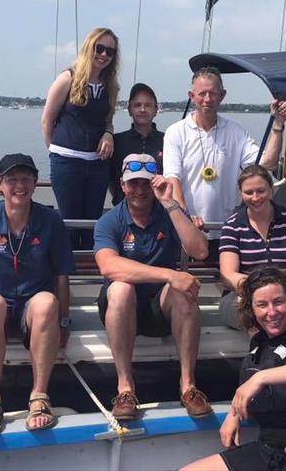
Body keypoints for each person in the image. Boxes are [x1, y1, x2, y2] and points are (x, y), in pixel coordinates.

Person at [0, 153, 74, 435]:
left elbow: (62, 277)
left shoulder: (50, 221)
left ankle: (39, 396)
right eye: (12, 180)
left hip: (30, 305)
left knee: (47, 302)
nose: (19, 185)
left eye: (25, 179)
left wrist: (63, 321)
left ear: (35, 184)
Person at [181, 266, 286, 471]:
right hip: (269, 452)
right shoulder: (259, 343)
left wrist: (261, 378)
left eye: (278, 302)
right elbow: (248, 387)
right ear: (251, 309)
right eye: (262, 305)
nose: (271, 312)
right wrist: (234, 413)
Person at [94, 153, 212, 421]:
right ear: (122, 186)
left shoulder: (168, 212)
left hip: (161, 307)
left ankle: (188, 386)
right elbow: (108, 266)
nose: (139, 190)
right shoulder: (110, 221)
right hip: (121, 308)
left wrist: (171, 204)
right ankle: (125, 389)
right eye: (133, 183)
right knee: (121, 288)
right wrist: (170, 274)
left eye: (146, 183)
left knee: (184, 291)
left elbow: (200, 250)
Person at [163, 66, 286, 250]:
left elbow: (267, 164)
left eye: (213, 93)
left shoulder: (235, 132)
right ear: (191, 96)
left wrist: (278, 124)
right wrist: (185, 217)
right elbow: (172, 180)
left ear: (222, 95)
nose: (207, 99)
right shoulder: (175, 132)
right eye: (202, 93)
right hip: (188, 229)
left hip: (227, 230)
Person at [41, 27, 120, 250]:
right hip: (67, 162)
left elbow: (107, 121)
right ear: (89, 48)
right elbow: (47, 120)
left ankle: (88, 272)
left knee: (92, 222)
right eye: (100, 48)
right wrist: (55, 151)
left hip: (97, 165)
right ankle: (64, 278)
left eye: (110, 52)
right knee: (68, 221)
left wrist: (108, 133)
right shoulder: (67, 78)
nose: (104, 55)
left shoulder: (110, 86)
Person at [219, 164, 286, 328]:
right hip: (242, 295)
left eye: (261, 191)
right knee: (255, 308)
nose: (255, 197)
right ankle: (262, 351)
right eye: (248, 192)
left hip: (285, 292)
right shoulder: (232, 226)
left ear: (271, 189)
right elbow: (228, 275)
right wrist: (259, 289)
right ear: (240, 193)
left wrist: (278, 287)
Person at [108, 82, 164, 205]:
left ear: (156, 110)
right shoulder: (116, 142)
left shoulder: (168, 140)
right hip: (124, 209)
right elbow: (111, 179)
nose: (142, 109)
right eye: (137, 105)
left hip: (159, 210)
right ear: (129, 110)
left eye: (148, 105)